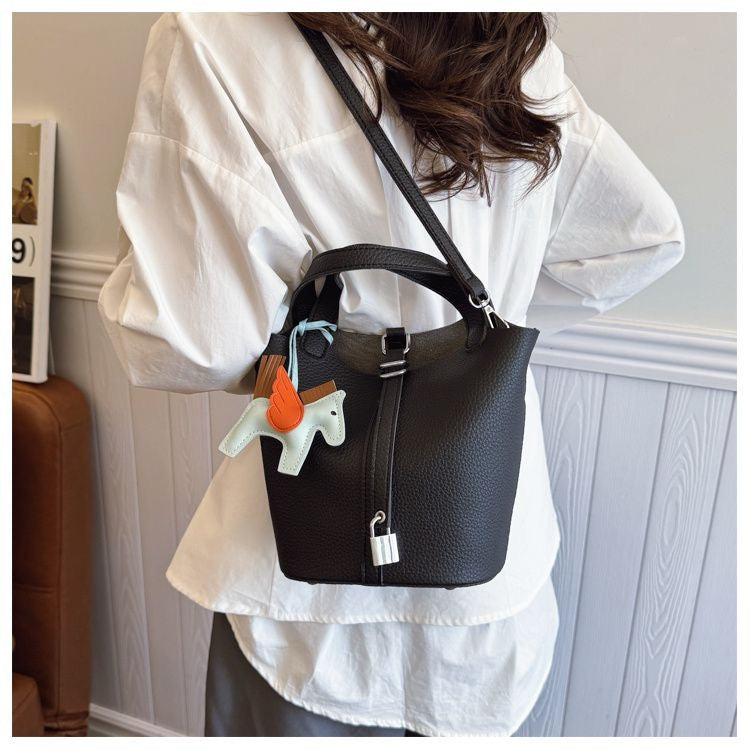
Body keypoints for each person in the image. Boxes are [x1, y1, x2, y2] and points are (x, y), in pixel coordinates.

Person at [97, 12, 684, 737]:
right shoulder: (509, 41)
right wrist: (475, 347)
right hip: (488, 581)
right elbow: (642, 237)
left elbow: (197, 340)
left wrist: (331, 346)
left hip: (306, 609)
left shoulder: (215, 33)